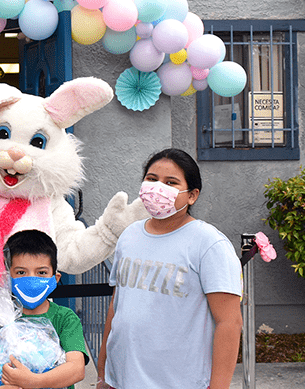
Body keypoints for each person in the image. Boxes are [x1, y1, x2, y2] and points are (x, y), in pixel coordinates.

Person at [96, 148, 243, 389]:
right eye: (152, 179)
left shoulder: (209, 244)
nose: (158, 188)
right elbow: (117, 306)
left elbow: (229, 322)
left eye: (171, 182)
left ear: (192, 195)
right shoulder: (130, 235)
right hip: (121, 379)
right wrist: (104, 372)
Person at [0, 229, 88, 389]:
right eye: (21, 272)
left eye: (41, 272)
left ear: (55, 278)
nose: (31, 280)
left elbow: (76, 369)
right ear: (7, 276)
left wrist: (32, 382)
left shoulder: (65, 318)